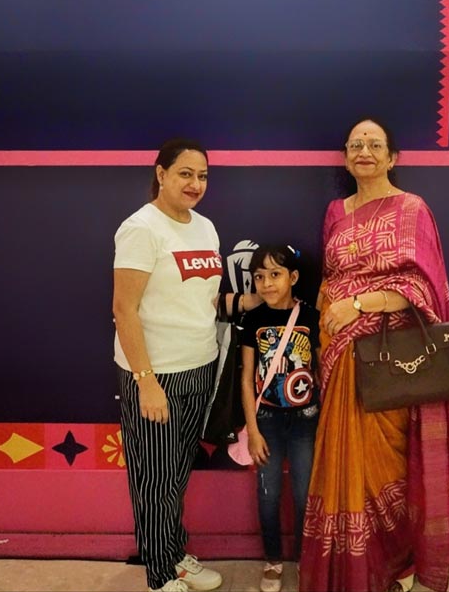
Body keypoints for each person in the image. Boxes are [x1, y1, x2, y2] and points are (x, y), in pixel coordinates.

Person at [300, 118, 449, 592]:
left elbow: (422, 287)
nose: (365, 151)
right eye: (356, 144)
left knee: (392, 466)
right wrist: (324, 328)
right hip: (339, 357)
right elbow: (328, 280)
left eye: (375, 144)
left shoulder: (412, 209)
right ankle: (357, 574)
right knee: (345, 466)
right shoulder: (336, 211)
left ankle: (402, 567)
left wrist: (357, 304)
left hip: (391, 360)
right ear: (345, 155)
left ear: (393, 157)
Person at [112, 138, 224, 592]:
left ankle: (175, 554)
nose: (195, 184)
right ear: (161, 174)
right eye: (185, 173)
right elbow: (124, 310)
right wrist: (146, 381)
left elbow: (206, 299)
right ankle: (160, 576)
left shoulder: (206, 227)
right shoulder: (141, 228)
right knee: (154, 480)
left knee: (175, 476)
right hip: (156, 375)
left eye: (202, 176)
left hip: (201, 367)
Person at [240, 245, 321, 592]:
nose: (267, 283)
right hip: (267, 422)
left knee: (305, 495)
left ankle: (305, 559)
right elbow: (245, 378)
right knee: (268, 495)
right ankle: (272, 559)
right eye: (259, 276)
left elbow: (322, 369)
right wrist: (254, 431)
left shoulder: (310, 317)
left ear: (293, 278)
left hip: (305, 420)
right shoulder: (253, 320)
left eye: (275, 275)